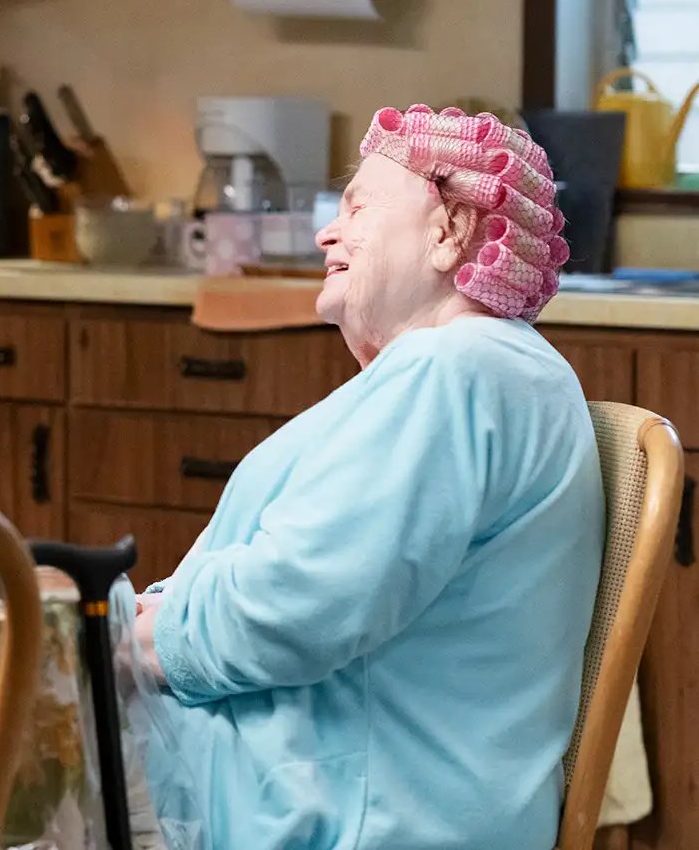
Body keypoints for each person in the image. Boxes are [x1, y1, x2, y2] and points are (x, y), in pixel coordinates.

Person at [134, 105, 602, 849]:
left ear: (449, 231)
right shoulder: (471, 371)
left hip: (358, 817)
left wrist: (127, 641)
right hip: (337, 793)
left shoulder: (455, 370)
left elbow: (297, 606)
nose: (327, 233)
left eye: (356, 208)